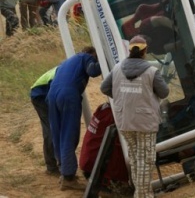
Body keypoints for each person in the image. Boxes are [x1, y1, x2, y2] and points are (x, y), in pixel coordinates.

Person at [100, 35, 169, 198]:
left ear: (129, 50)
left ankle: (141, 193)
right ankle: (143, 195)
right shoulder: (152, 71)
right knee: (146, 160)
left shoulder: (117, 68)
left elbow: (104, 87)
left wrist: (119, 96)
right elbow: (164, 92)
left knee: (136, 158)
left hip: (124, 120)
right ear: (145, 51)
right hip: (145, 122)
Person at [47, 46, 101, 191]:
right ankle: (69, 177)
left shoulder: (65, 62)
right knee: (68, 135)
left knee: (58, 134)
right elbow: (93, 70)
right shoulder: (86, 57)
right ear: (91, 53)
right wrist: (103, 58)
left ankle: (63, 171)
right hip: (68, 95)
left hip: (52, 95)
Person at [80, 102, 132, 195]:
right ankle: (111, 185)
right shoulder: (114, 116)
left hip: (89, 164)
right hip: (99, 169)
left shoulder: (104, 109)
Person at [30, 66, 59, 176]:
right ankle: (51, 166)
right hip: (39, 96)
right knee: (50, 130)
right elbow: (51, 96)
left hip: (44, 92)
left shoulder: (66, 67)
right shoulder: (60, 73)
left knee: (55, 128)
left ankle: (55, 163)